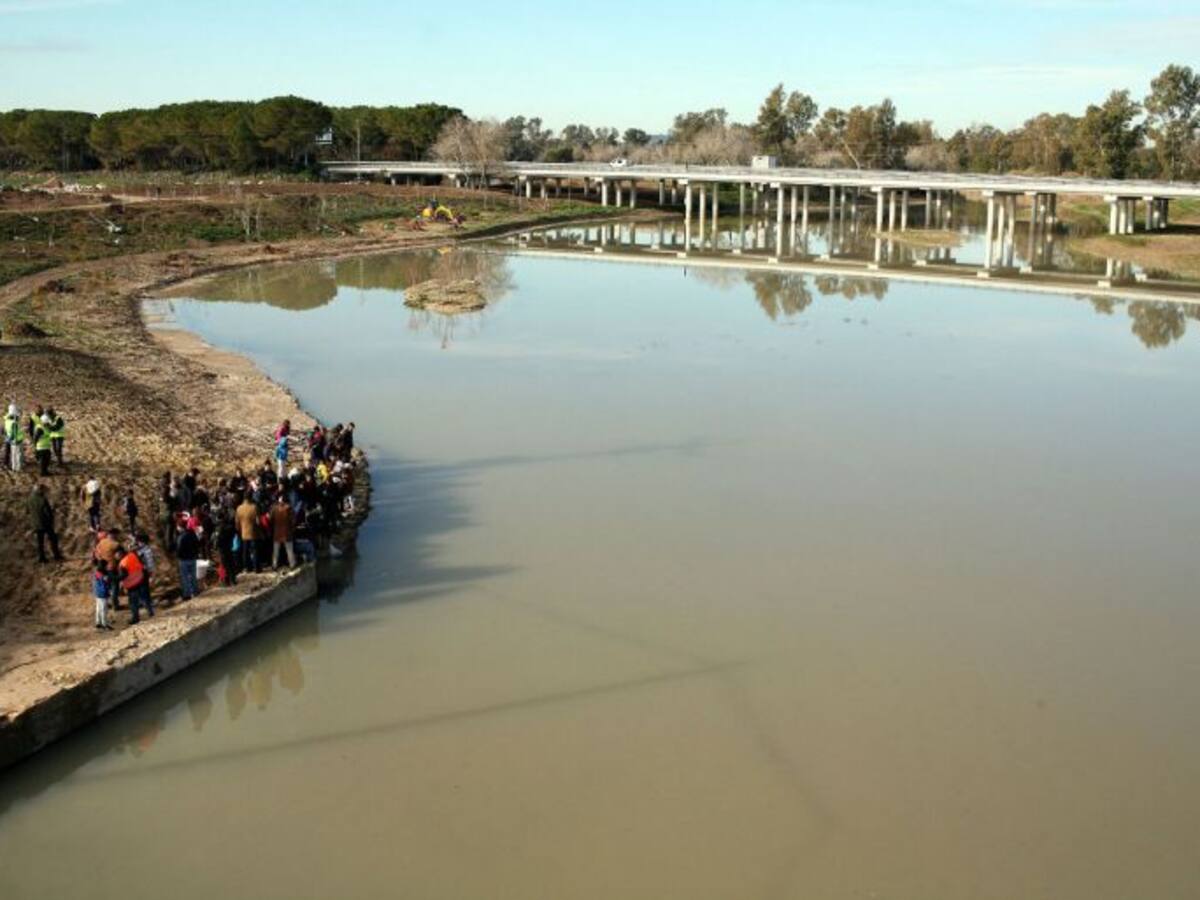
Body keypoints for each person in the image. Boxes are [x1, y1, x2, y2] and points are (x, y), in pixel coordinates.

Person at [28, 483, 64, 563]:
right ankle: (56, 555)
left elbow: (28, 511)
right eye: (43, 490)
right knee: (53, 539)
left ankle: (42, 558)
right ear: (40, 490)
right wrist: (52, 517)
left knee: (40, 542)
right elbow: (47, 512)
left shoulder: (29, 499)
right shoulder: (43, 499)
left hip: (36, 523)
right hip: (46, 523)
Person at [119, 546, 153, 624]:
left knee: (133, 602)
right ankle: (150, 611)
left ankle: (135, 618)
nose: (116, 556)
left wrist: (114, 579)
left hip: (132, 583)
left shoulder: (123, 563)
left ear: (120, 554)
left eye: (116, 554)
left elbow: (123, 576)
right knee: (143, 597)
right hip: (140, 578)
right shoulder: (132, 555)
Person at [94, 528, 121, 608]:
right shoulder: (116, 544)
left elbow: (96, 553)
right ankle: (115, 604)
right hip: (112, 567)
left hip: (102, 568)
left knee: (106, 586)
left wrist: (100, 560)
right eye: (117, 535)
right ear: (114, 534)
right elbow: (119, 556)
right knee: (115, 586)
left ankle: (106, 603)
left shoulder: (101, 542)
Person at [235, 493, 261, 573]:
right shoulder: (254, 507)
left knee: (245, 551)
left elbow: (237, 522)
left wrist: (238, 530)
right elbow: (258, 522)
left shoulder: (239, 508)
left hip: (244, 533)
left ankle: (247, 568)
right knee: (255, 550)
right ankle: (256, 568)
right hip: (253, 532)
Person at [271, 493, 296, 570]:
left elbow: (271, 519)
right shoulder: (289, 508)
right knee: (289, 550)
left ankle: (274, 565)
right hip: (287, 532)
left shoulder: (274, 508)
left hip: (277, 532)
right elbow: (293, 520)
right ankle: (292, 564)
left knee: (276, 550)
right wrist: (292, 528)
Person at [176, 524, 200, 601]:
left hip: (184, 560)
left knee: (185, 578)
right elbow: (197, 544)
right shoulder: (192, 534)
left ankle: (187, 594)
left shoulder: (181, 537)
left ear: (180, 527)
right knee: (193, 576)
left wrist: (178, 556)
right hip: (192, 558)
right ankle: (195, 591)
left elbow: (179, 549)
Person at [133, 531, 156, 602]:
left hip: (139, 571)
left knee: (141, 587)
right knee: (143, 587)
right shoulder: (145, 549)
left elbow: (150, 562)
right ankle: (145, 601)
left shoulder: (138, 550)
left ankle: (143, 600)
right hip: (142, 570)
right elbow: (150, 562)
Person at [92, 560, 113, 630]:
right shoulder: (102, 574)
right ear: (103, 566)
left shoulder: (96, 572)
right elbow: (106, 581)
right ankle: (104, 624)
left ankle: (98, 622)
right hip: (102, 593)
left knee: (98, 608)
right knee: (104, 609)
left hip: (98, 593)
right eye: (106, 565)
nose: (107, 567)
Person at [4, 403, 23, 473]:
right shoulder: (14, 423)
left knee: (12, 454)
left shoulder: (7, 420)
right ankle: (17, 468)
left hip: (11, 440)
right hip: (16, 440)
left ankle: (13, 467)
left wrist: (8, 439)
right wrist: (11, 439)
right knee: (17, 454)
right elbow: (13, 433)